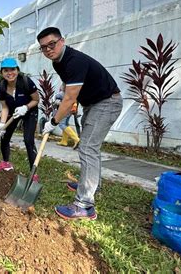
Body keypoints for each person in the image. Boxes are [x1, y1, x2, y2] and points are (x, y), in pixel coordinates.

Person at [38, 27, 122, 220]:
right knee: (90, 147)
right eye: (44, 47)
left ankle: (84, 205)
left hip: (107, 102)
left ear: (62, 41)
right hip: (94, 103)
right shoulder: (58, 62)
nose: (48, 49)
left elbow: (70, 99)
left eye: (52, 44)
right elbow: (68, 86)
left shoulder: (74, 61)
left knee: (87, 148)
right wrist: (61, 96)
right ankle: (91, 184)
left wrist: (53, 121)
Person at [0, 58, 40, 180]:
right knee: (4, 137)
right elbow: (4, 107)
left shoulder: (26, 82)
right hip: (13, 112)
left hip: (30, 111)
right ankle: (6, 163)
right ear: (1, 73)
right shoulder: (1, 88)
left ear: (17, 70)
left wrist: (26, 107)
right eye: (6, 70)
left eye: (13, 69)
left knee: (28, 140)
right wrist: (2, 124)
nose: (10, 73)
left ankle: (33, 173)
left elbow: (36, 100)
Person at [54, 84, 80, 149]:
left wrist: (59, 103)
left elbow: (57, 102)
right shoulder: (72, 94)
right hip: (70, 111)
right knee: (65, 124)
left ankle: (76, 139)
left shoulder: (61, 94)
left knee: (62, 125)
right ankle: (64, 141)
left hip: (64, 111)